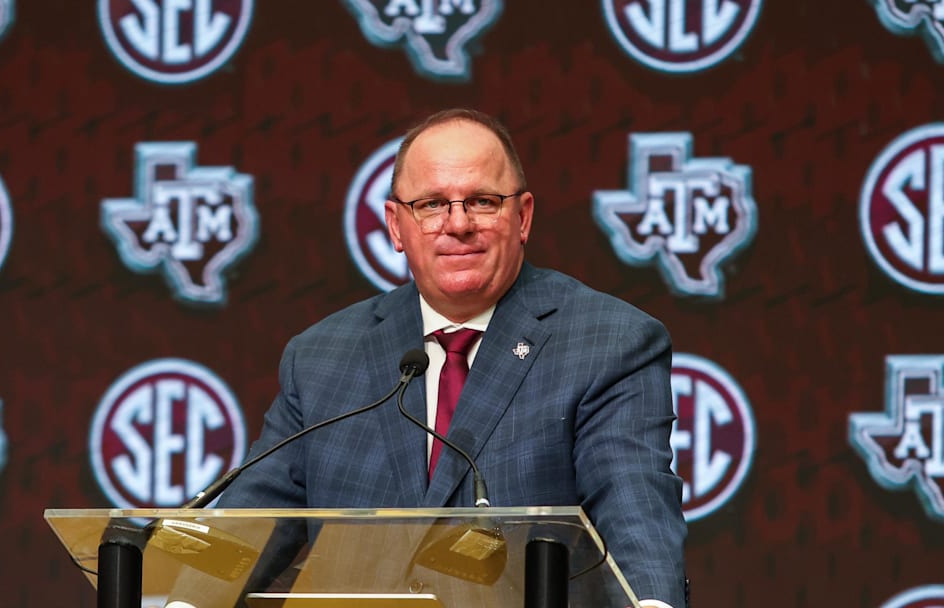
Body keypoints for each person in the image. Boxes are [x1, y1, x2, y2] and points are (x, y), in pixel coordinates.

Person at [216, 108, 687, 607]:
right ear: (396, 226)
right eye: (432, 204)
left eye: (483, 201)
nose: (457, 224)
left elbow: (634, 506)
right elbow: (246, 526)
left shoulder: (610, 342)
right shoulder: (320, 357)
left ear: (522, 217)